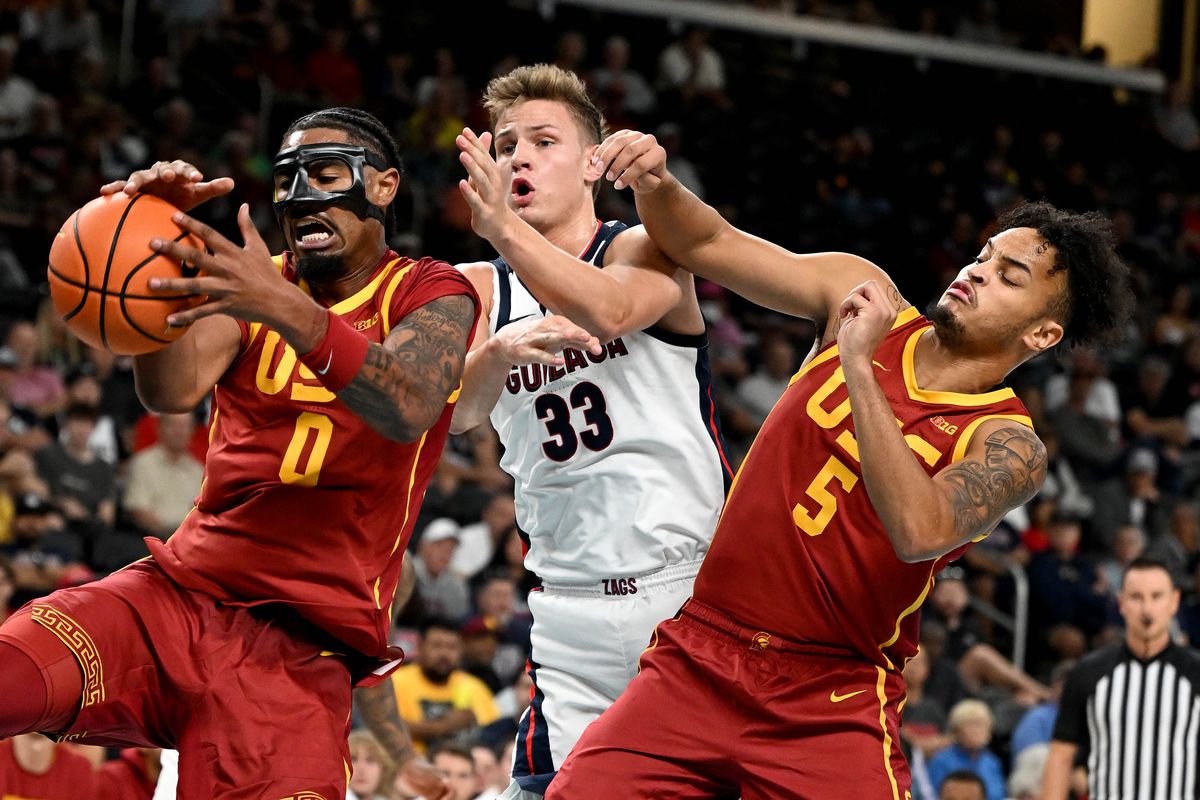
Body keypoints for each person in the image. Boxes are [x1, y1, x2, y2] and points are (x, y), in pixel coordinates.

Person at [547, 130, 1132, 799]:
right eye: (983, 256)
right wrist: (657, 184)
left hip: (830, 698)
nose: (976, 272)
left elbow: (920, 529)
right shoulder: (862, 291)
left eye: (1009, 277)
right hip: (700, 654)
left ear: (1043, 334)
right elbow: (706, 243)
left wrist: (856, 361)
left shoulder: (1008, 445)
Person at [0, 107, 481, 799]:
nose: (301, 196)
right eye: (287, 179)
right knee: (16, 671)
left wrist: (285, 308)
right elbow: (171, 391)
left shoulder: (430, 290)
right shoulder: (249, 283)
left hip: (303, 650)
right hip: (180, 598)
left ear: (382, 187)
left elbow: (408, 404)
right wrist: (152, 258)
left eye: (324, 174)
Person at [450, 64, 731, 798]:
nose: (520, 157)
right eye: (506, 144)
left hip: (688, 596)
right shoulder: (479, 289)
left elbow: (607, 312)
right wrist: (492, 357)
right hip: (567, 610)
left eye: (544, 141)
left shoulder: (642, 248)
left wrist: (503, 228)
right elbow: (453, 413)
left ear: (593, 164)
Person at [1042, 557, 1200, 799]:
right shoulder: (1087, 673)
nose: (1147, 609)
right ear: (1122, 603)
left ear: (1174, 601)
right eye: (1136, 597)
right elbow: (1061, 756)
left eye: (1156, 596)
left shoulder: (1195, 672)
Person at [388, 618, 500, 755]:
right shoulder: (394, 681)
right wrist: (443, 726)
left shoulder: (475, 687)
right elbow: (384, 727)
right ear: (420, 647)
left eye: (451, 647)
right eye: (437, 646)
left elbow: (492, 735)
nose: (444, 654)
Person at [925, 700, 1006, 800]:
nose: (975, 731)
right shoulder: (940, 761)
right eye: (969, 724)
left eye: (980, 724)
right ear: (956, 730)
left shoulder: (993, 762)